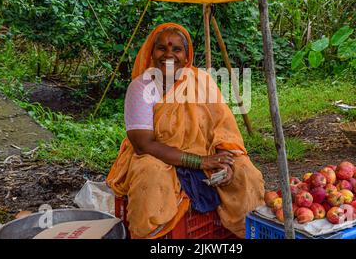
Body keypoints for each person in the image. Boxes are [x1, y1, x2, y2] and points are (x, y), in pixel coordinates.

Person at [106, 23, 265, 239]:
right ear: (152, 53)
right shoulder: (141, 87)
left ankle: (243, 234)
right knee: (151, 174)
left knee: (246, 172)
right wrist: (200, 162)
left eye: (176, 49)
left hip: (205, 152)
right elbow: (143, 145)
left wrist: (225, 163)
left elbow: (223, 131)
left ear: (187, 55)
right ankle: (154, 236)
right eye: (161, 48)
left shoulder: (202, 81)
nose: (168, 54)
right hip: (157, 155)